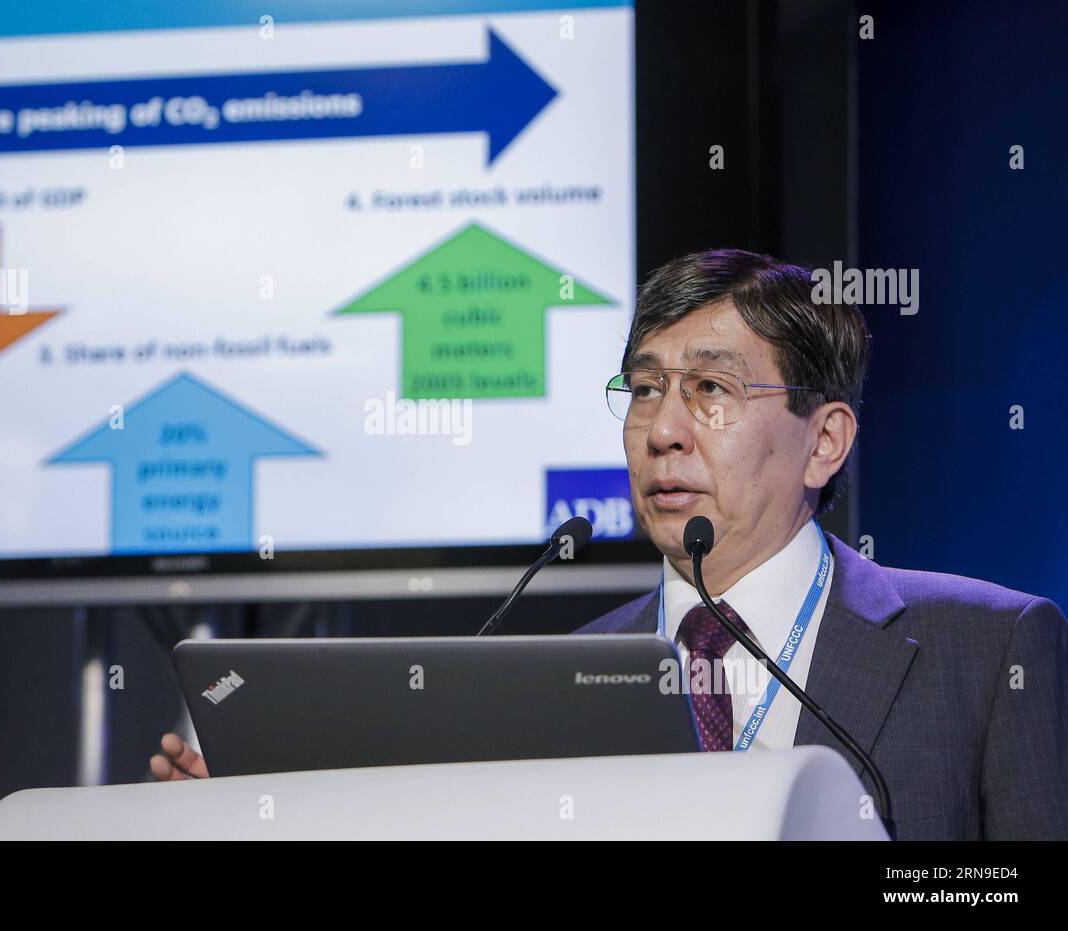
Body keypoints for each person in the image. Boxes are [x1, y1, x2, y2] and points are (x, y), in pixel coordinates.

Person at [151, 249, 1068, 840]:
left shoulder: (985, 649)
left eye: (710, 389)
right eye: (641, 390)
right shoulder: (545, 680)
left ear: (823, 440)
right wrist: (244, 821)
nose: (662, 430)